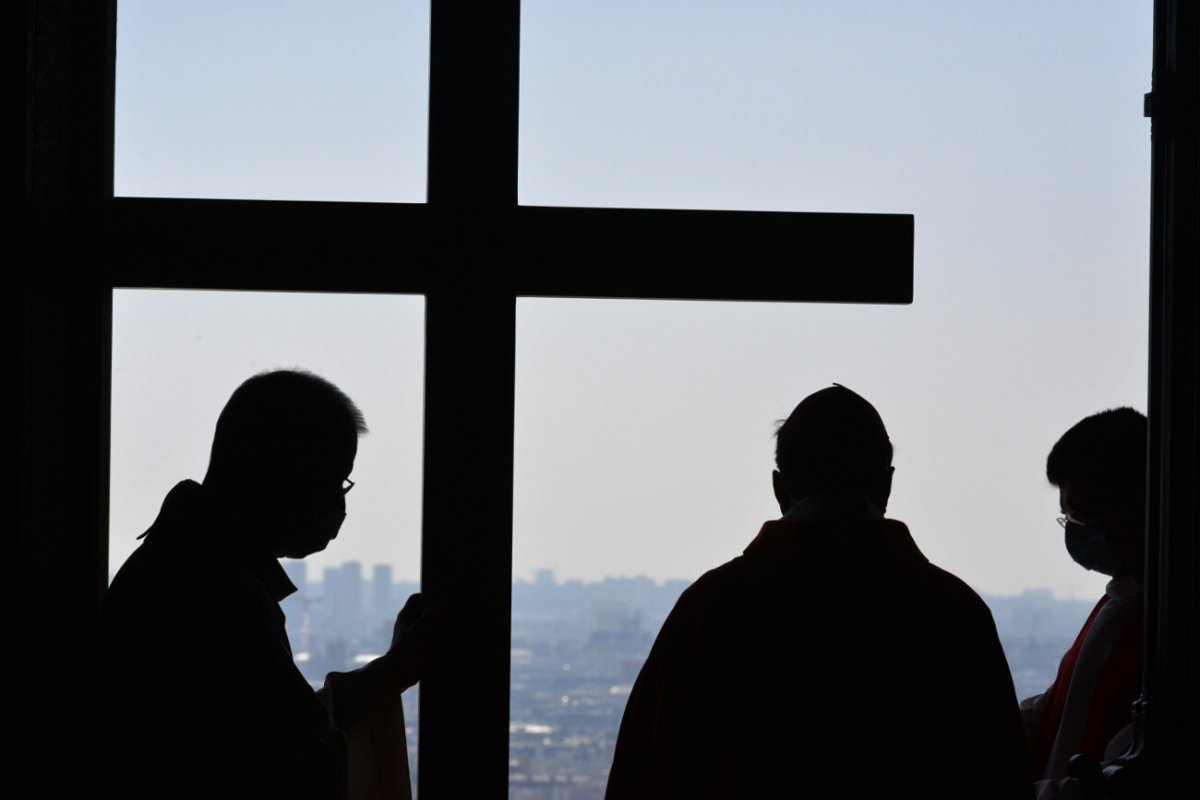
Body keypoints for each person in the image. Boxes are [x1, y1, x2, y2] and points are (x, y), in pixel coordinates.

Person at [605, 385, 1031, 800]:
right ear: (887, 485)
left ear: (779, 487)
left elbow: (643, 773)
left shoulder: (711, 608)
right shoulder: (954, 613)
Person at [96, 369, 425, 800]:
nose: (340, 504)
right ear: (282, 475)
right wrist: (388, 678)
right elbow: (295, 764)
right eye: (334, 482)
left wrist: (386, 676)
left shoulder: (182, 566)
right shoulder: (213, 595)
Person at [1022, 408, 1146, 798]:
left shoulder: (1167, 624)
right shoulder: (1117, 603)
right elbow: (1058, 708)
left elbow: (1119, 778)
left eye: (1083, 512)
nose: (1075, 529)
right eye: (1068, 516)